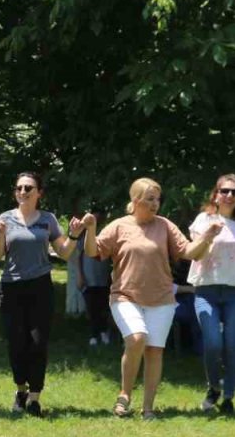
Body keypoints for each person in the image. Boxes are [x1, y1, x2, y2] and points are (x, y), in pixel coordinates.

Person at [89, 177, 223, 419]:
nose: (155, 204)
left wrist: (207, 237)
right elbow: (93, 251)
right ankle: (124, 394)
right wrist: (90, 229)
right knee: (137, 338)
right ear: (135, 200)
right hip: (125, 295)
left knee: (154, 351)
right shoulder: (119, 226)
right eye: (150, 199)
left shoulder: (164, 225)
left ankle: (148, 407)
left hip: (161, 299)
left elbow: (188, 252)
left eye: (157, 199)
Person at [0, 172, 86, 416]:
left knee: (37, 342)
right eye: (19, 188)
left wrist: (74, 235)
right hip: (11, 286)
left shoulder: (48, 219)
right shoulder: (5, 218)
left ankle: (34, 398)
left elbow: (64, 252)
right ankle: (20, 390)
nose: (23, 192)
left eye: (28, 188)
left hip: (40, 287)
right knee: (16, 343)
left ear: (39, 193)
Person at [185, 174, 235, 414]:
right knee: (213, 343)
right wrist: (209, 235)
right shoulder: (204, 219)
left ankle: (228, 396)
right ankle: (213, 387)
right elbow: (194, 254)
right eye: (224, 191)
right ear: (215, 194)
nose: (229, 195)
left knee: (232, 344)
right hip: (206, 289)